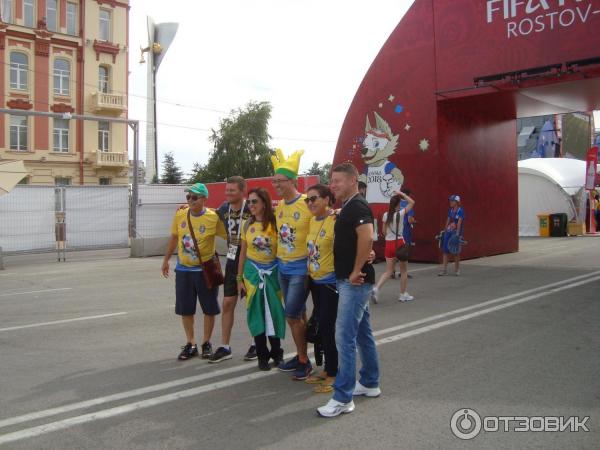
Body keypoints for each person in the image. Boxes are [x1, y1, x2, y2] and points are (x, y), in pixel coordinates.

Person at [317, 162, 380, 418]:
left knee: (344, 337)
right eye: (331, 182)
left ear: (353, 180)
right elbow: (359, 241)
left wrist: (355, 270)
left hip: (354, 282)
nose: (333, 186)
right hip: (350, 280)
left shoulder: (358, 206)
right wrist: (362, 258)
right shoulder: (348, 207)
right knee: (363, 334)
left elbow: (367, 237)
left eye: (337, 181)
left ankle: (343, 398)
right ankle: (370, 382)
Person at [161, 183, 226, 361]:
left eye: (194, 197)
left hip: (205, 270)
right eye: (188, 197)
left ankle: (206, 342)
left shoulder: (213, 218)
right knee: (186, 309)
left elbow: (230, 235)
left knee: (209, 308)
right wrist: (166, 259)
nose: (190, 200)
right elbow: (174, 238)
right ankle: (191, 343)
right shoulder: (180, 214)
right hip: (184, 270)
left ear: (204, 199)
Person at [271, 149, 313, 380]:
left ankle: (304, 361)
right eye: (274, 180)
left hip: (300, 268)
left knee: (292, 315)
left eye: (280, 181)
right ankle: (301, 355)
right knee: (300, 314)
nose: (276, 184)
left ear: (292, 181)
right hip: (283, 267)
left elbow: (326, 215)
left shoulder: (307, 202)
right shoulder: (280, 207)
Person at [237, 188, 285, 371]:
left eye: (254, 201)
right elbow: (243, 253)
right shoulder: (247, 224)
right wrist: (239, 278)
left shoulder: (276, 223)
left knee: (273, 313)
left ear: (264, 202)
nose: (251, 205)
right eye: (249, 202)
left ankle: (277, 354)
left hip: (272, 274)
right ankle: (261, 355)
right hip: (252, 275)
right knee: (256, 315)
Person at [210, 176, 255, 363]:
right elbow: (208, 213)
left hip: (251, 260)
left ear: (242, 191)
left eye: (232, 190)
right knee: (228, 302)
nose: (228, 193)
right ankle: (225, 346)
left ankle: (256, 344)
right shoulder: (223, 208)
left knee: (252, 304)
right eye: (227, 190)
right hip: (231, 259)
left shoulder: (252, 208)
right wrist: (186, 208)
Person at [305, 184, 338, 394]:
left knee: (329, 327)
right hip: (315, 282)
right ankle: (327, 369)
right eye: (308, 200)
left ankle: (335, 373)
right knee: (321, 327)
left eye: (314, 198)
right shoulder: (311, 220)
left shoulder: (336, 220)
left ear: (327, 199)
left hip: (330, 283)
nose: (310, 203)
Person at [372, 191, 416, 303]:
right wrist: (401, 194)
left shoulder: (385, 215)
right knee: (404, 270)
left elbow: (383, 231)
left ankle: (376, 289)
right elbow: (412, 202)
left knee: (389, 271)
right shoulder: (400, 213)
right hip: (399, 243)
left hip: (388, 244)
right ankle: (403, 294)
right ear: (398, 205)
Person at [439, 194, 465, 276]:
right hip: (448, 232)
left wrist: (457, 234)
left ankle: (457, 270)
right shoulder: (450, 210)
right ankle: (444, 270)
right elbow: (448, 220)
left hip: (455, 234)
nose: (450, 202)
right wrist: (444, 230)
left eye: (452, 201)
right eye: (450, 200)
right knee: (445, 251)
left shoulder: (461, 211)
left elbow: (460, 223)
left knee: (455, 252)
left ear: (457, 202)